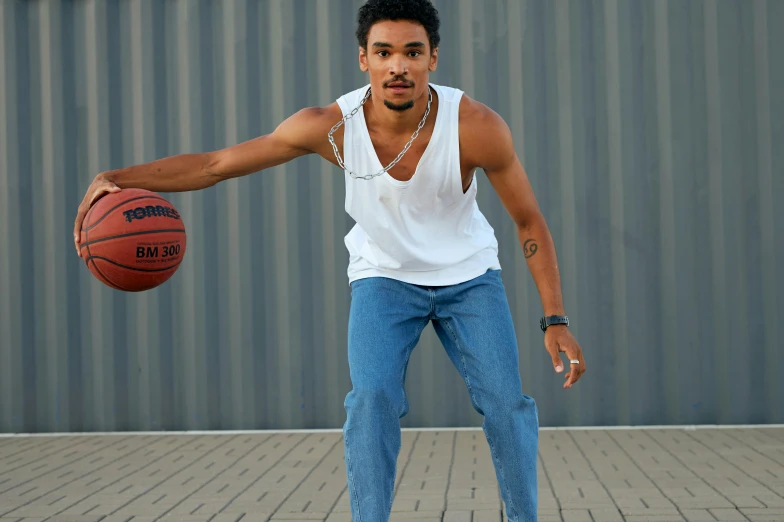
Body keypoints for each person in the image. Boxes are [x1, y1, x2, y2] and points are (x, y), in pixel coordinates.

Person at [73, 0, 585, 520]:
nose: (398, 66)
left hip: (470, 276)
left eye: (412, 52)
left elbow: (528, 221)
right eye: (383, 52)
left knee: (507, 404)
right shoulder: (329, 126)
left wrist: (555, 318)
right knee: (370, 401)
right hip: (383, 277)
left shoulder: (474, 126)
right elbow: (214, 165)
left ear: (433, 57)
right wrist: (119, 177)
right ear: (363, 58)